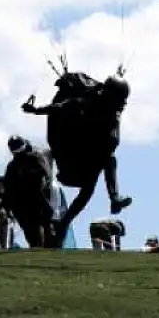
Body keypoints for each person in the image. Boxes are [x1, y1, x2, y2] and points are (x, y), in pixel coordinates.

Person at [23, 66, 133, 241]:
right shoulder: (88, 101)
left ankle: (112, 199)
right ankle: (109, 200)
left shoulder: (113, 113)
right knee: (100, 167)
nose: (123, 104)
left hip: (88, 158)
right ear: (110, 98)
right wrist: (36, 110)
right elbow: (61, 107)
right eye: (120, 100)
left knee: (106, 161)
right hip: (71, 158)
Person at [3, 136, 60, 248]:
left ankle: (48, 247)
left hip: (37, 198)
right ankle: (38, 246)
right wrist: (9, 206)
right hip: (22, 203)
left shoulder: (35, 157)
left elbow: (45, 174)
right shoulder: (12, 166)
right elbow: (9, 188)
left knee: (45, 225)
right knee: (31, 230)